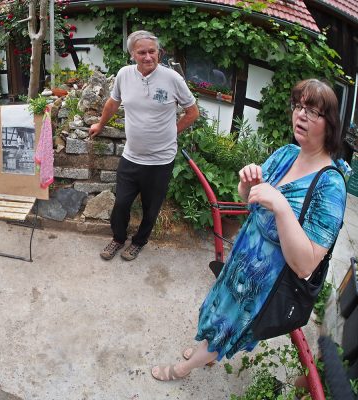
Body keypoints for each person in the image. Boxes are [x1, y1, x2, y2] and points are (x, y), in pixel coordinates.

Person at [150, 79, 348, 381]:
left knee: (230, 326)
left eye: (313, 111)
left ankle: (181, 370)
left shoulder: (330, 187)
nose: (301, 115)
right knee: (216, 311)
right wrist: (247, 185)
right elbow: (250, 201)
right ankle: (207, 349)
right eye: (298, 106)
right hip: (241, 259)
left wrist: (281, 206)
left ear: (331, 124)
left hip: (264, 282)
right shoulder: (285, 154)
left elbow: (306, 263)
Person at [89, 30, 199, 261]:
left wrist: (172, 132)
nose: (148, 57)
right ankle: (118, 238)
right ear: (132, 54)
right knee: (121, 204)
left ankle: (139, 242)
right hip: (131, 157)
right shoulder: (124, 75)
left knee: (151, 208)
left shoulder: (172, 79)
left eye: (152, 51)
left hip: (161, 161)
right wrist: (100, 124)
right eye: (142, 52)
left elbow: (192, 112)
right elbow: (112, 102)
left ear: (158, 52)